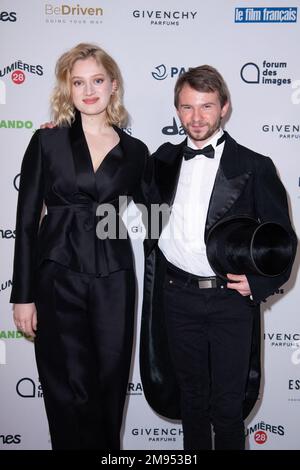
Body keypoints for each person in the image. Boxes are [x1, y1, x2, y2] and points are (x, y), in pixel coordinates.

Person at [140, 65, 296, 450]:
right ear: (177, 109)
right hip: (178, 296)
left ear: (224, 107)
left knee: (227, 408)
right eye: (187, 107)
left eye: (206, 106)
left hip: (230, 301)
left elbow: (283, 239)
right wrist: (65, 135)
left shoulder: (254, 165)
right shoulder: (161, 159)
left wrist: (260, 283)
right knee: (190, 402)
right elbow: (117, 174)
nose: (196, 117)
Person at [10, 43, 153, 450]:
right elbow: (25, 222)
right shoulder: (46, 141)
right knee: (67, 390)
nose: (88, 90)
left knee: (109, 387)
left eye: (97, 80)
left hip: (114, 279)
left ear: (113, 86)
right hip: (57, 278)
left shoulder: (136, 152)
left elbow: (158, 218)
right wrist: (23, 296)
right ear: (67, 89)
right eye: (78, 82)